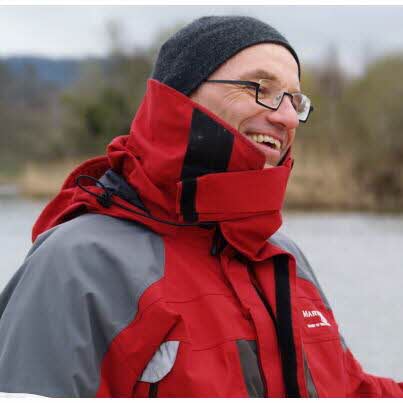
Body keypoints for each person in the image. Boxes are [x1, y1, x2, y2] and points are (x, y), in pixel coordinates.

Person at [0, 15, 401, 398]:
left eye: (294, 100)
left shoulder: (285, 258)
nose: (287, 118)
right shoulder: (79, 263)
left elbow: (349, 389)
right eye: (260, 88)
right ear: (178, 98)